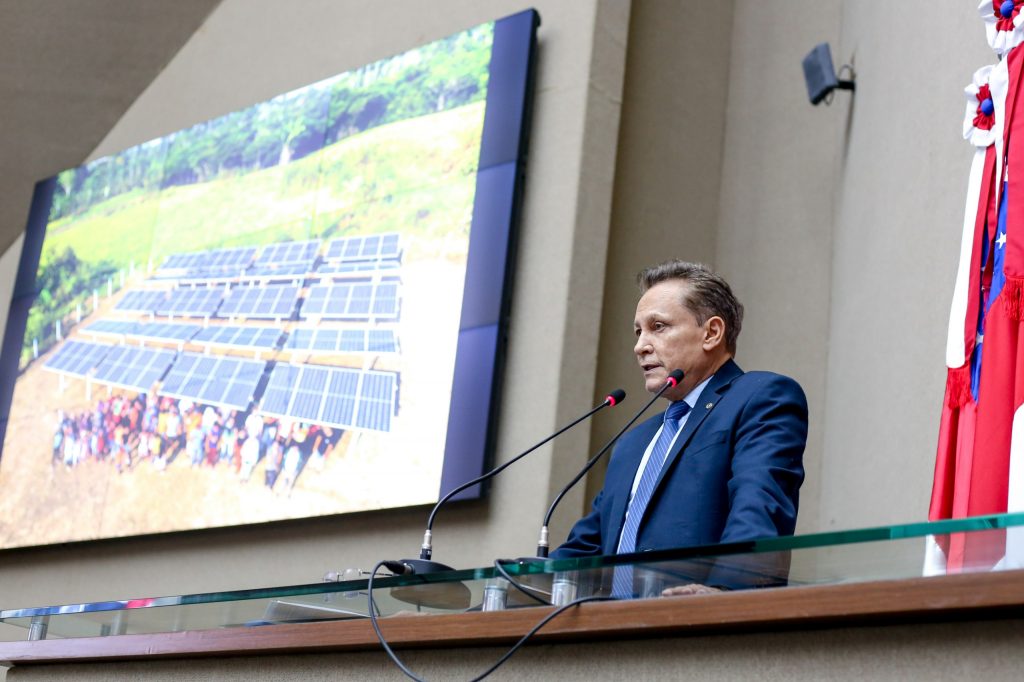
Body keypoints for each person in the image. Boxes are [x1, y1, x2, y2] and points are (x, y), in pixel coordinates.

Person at [551, 261, 807, 594]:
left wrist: (726, 595)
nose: (640, 345)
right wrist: (513, 587)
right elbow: (587, 547)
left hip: (699, 629)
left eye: (658, 326)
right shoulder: (633, 443)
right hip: (613, 635)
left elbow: (759, 510)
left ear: (711, 333)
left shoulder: (760, 397)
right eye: (638, 331)